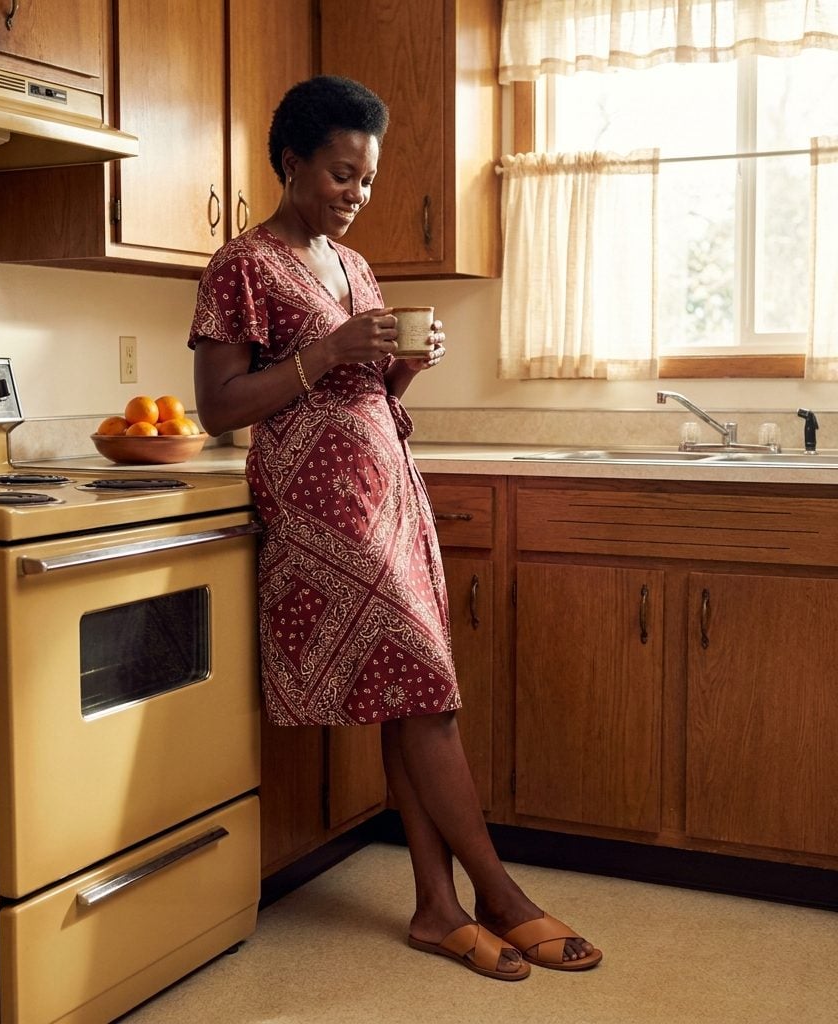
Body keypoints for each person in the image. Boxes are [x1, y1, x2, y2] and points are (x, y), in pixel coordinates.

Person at [189, 75, 601, 980]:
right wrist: (332, 349)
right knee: (431, 695)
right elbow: (218, 407)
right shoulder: (242, 264)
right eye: (342, 174)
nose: (356, 194)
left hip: (385, 495)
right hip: (316, 513)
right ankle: (501, 893)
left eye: (367, 180)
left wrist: (403, 365)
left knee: (409, 699)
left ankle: (435, 906)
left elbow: (365, 391)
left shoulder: (357, 266)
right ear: (291, 163)